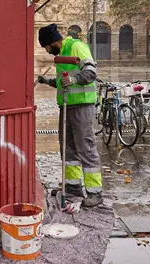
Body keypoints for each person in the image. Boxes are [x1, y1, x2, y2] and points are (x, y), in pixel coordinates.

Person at [36, 23, 103, 207]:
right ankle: (73, 187)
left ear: (52, 42)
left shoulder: (76, 47)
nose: (48, 52)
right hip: (66, 107)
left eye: (47, 47)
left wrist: (73, 79)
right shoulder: (61, 56)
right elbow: (62, 82)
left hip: (82, 106)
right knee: (68, 149)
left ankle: (95, 192)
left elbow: (90, 73)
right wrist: (47, 81)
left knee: (85, 149)